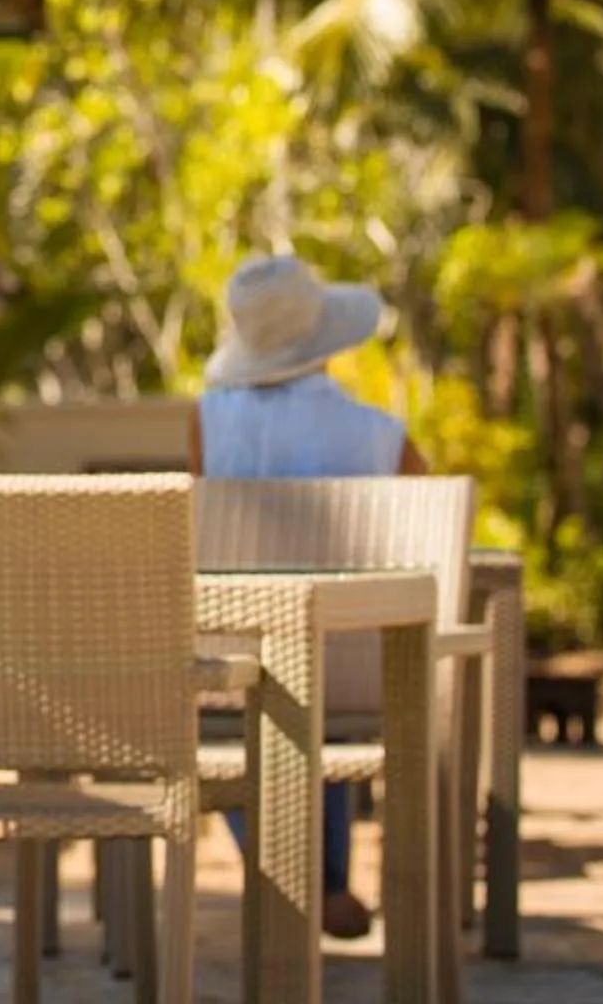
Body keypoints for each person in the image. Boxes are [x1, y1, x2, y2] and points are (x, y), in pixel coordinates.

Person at [190, 251, 428, 942]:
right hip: (358, 666)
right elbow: (432, 542)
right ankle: (319, 883)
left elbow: (203, 543)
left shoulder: (206, 422)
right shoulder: (383, 437)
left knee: (252, 704)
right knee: (322, 695)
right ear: (326, 339)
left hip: (236, 662)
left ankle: (294, 874)